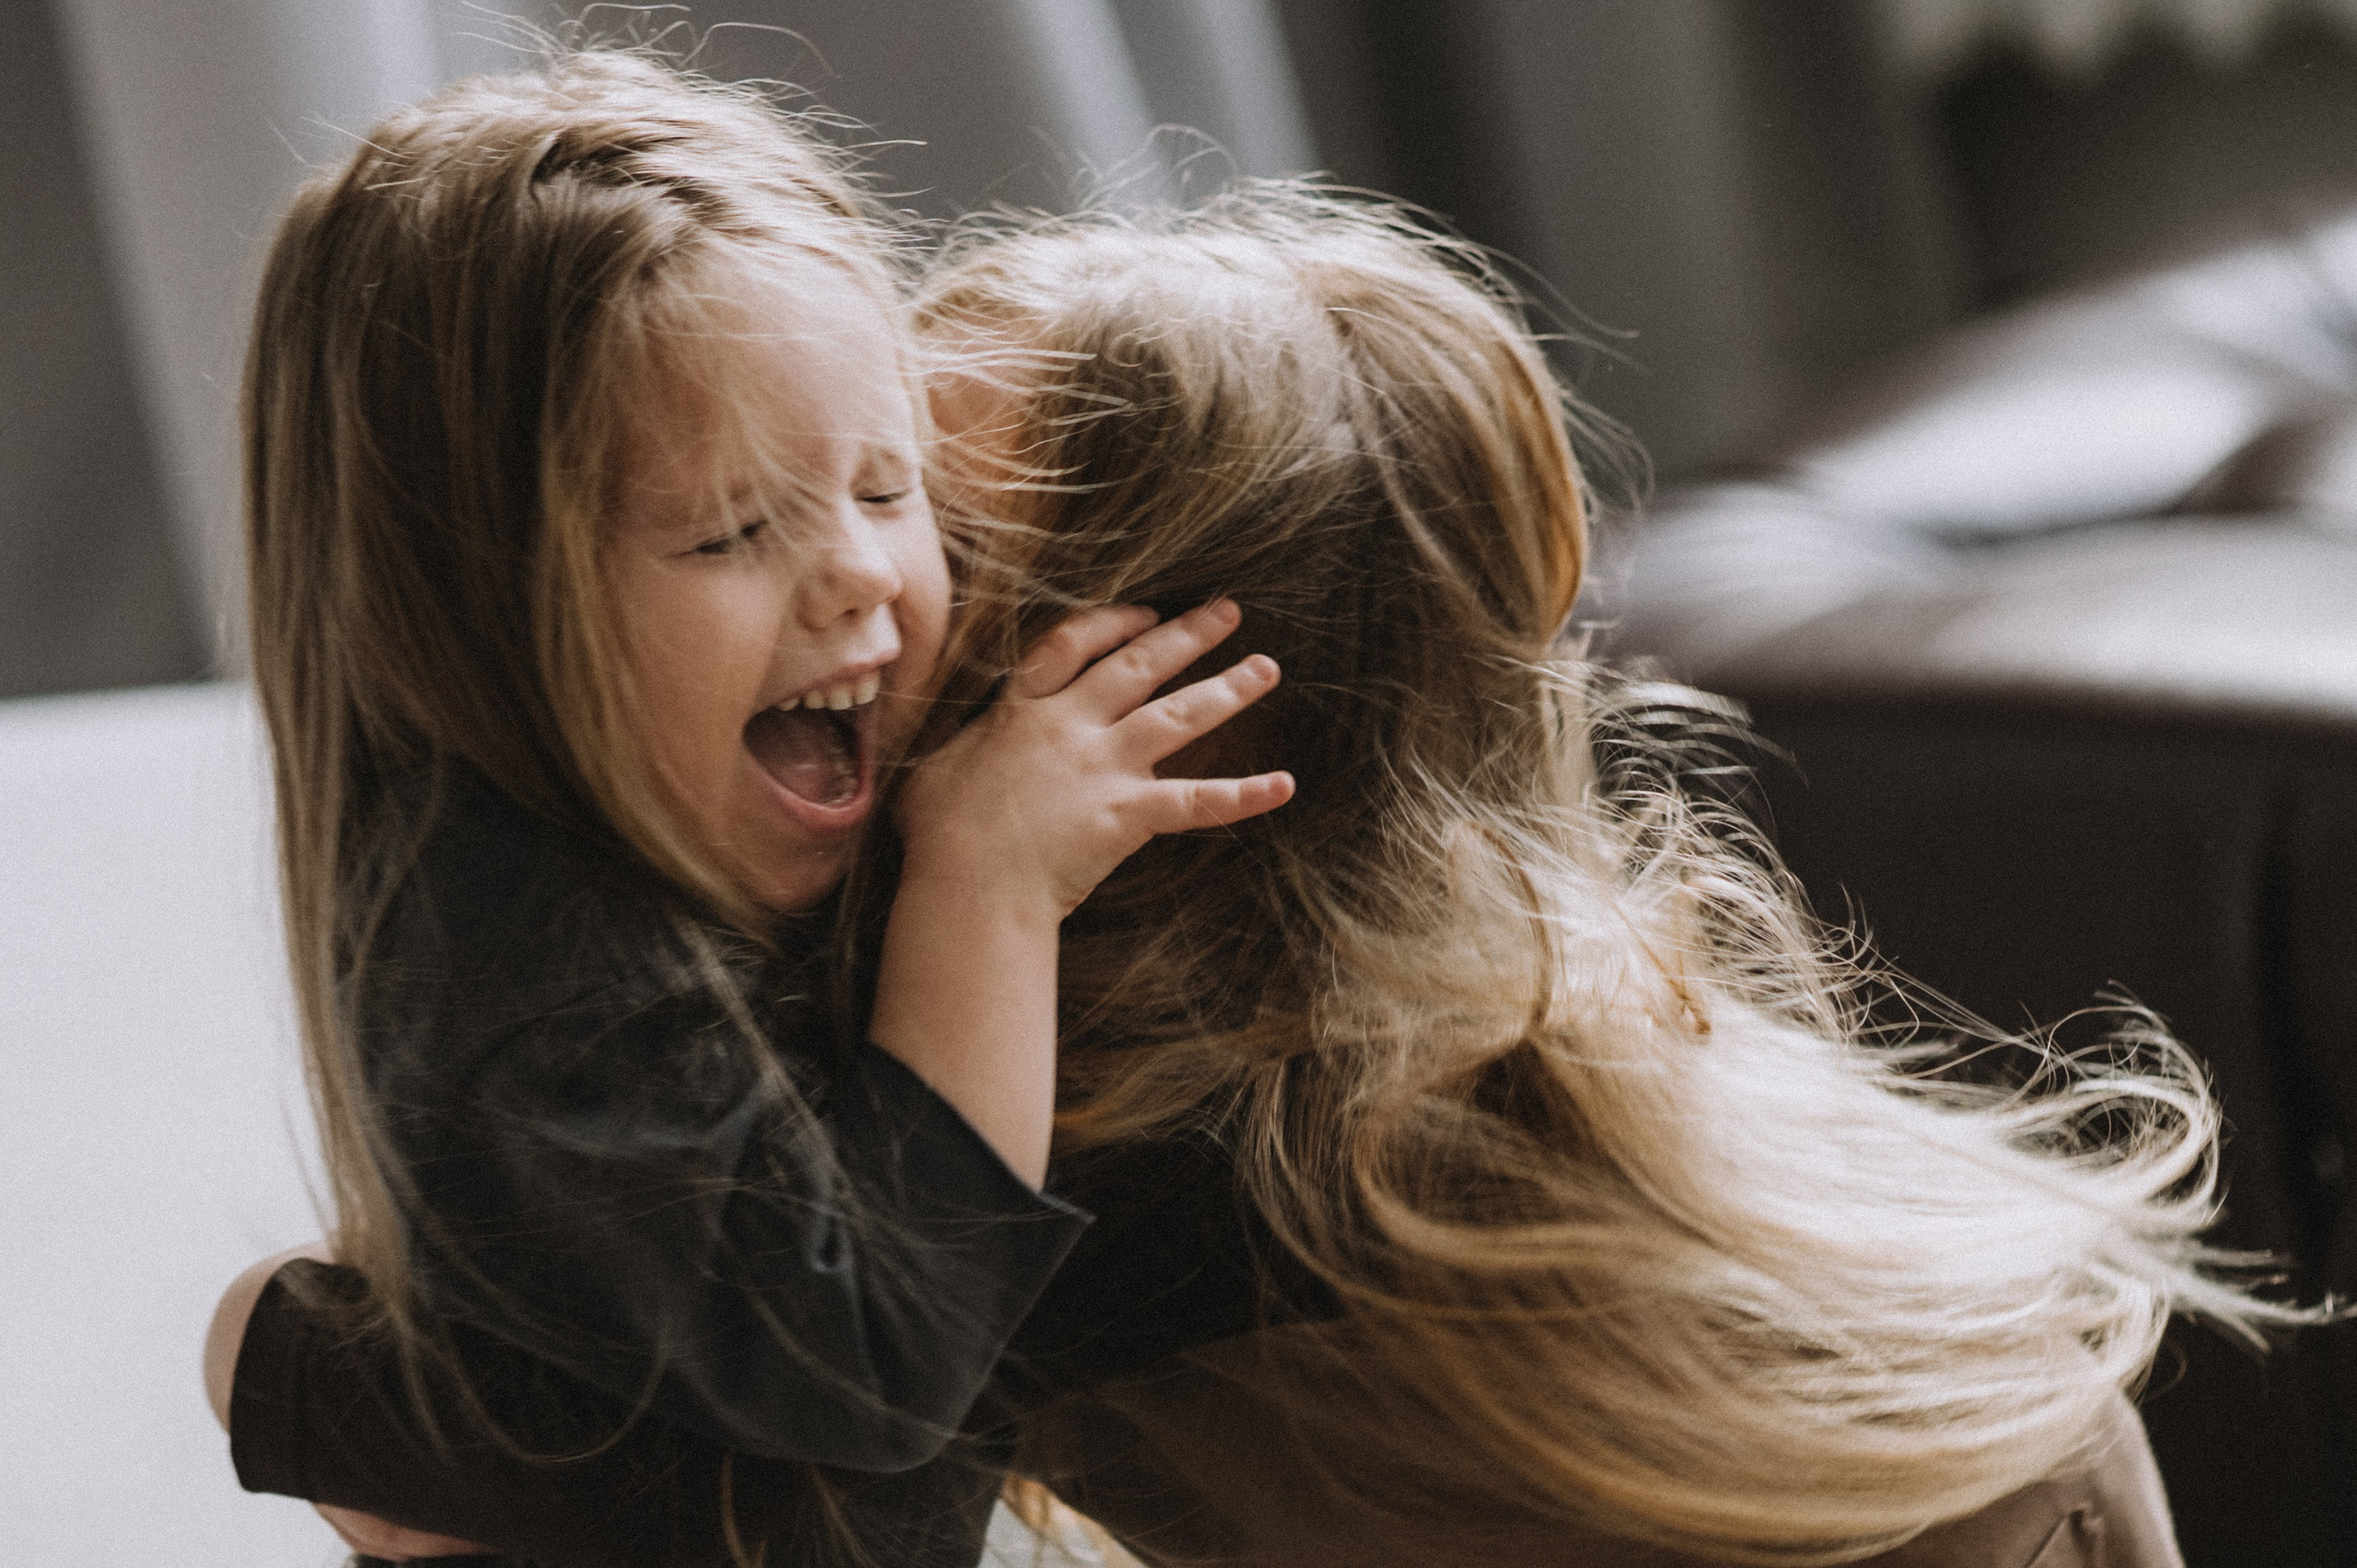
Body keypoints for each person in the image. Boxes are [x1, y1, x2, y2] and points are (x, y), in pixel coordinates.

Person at [218, 124, 2301, 1568]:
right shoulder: (1377, 976)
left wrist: (289, 1371)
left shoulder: (1217, 1139)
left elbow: (719, 1480)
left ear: (1166, 765)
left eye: (917, 528)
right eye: (780, 506)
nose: (865, 586)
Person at [204, 50, 1292, 1566]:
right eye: (732, 530)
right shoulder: (530, 970)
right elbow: (879, 1360)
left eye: (888, 487)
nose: (856, 571)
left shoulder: (715, 806)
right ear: (474, 612)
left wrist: (303, 1381)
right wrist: (985, 892)